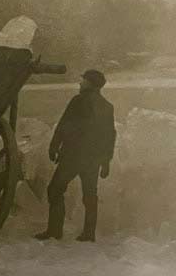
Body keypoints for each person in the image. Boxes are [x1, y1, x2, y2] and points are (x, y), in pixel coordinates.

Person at [35, 69, 116, 243]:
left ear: (91, 83)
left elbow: (64, 124)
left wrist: (54, 146)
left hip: (72, 157)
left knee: (55, 189)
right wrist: (106, 162)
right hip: (92, 160)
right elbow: (110, 136)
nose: (80, 83)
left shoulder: (78, 101)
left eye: (83, 80)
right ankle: (89, 234)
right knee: (90, 196)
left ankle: (55, 231)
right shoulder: (107, 107)